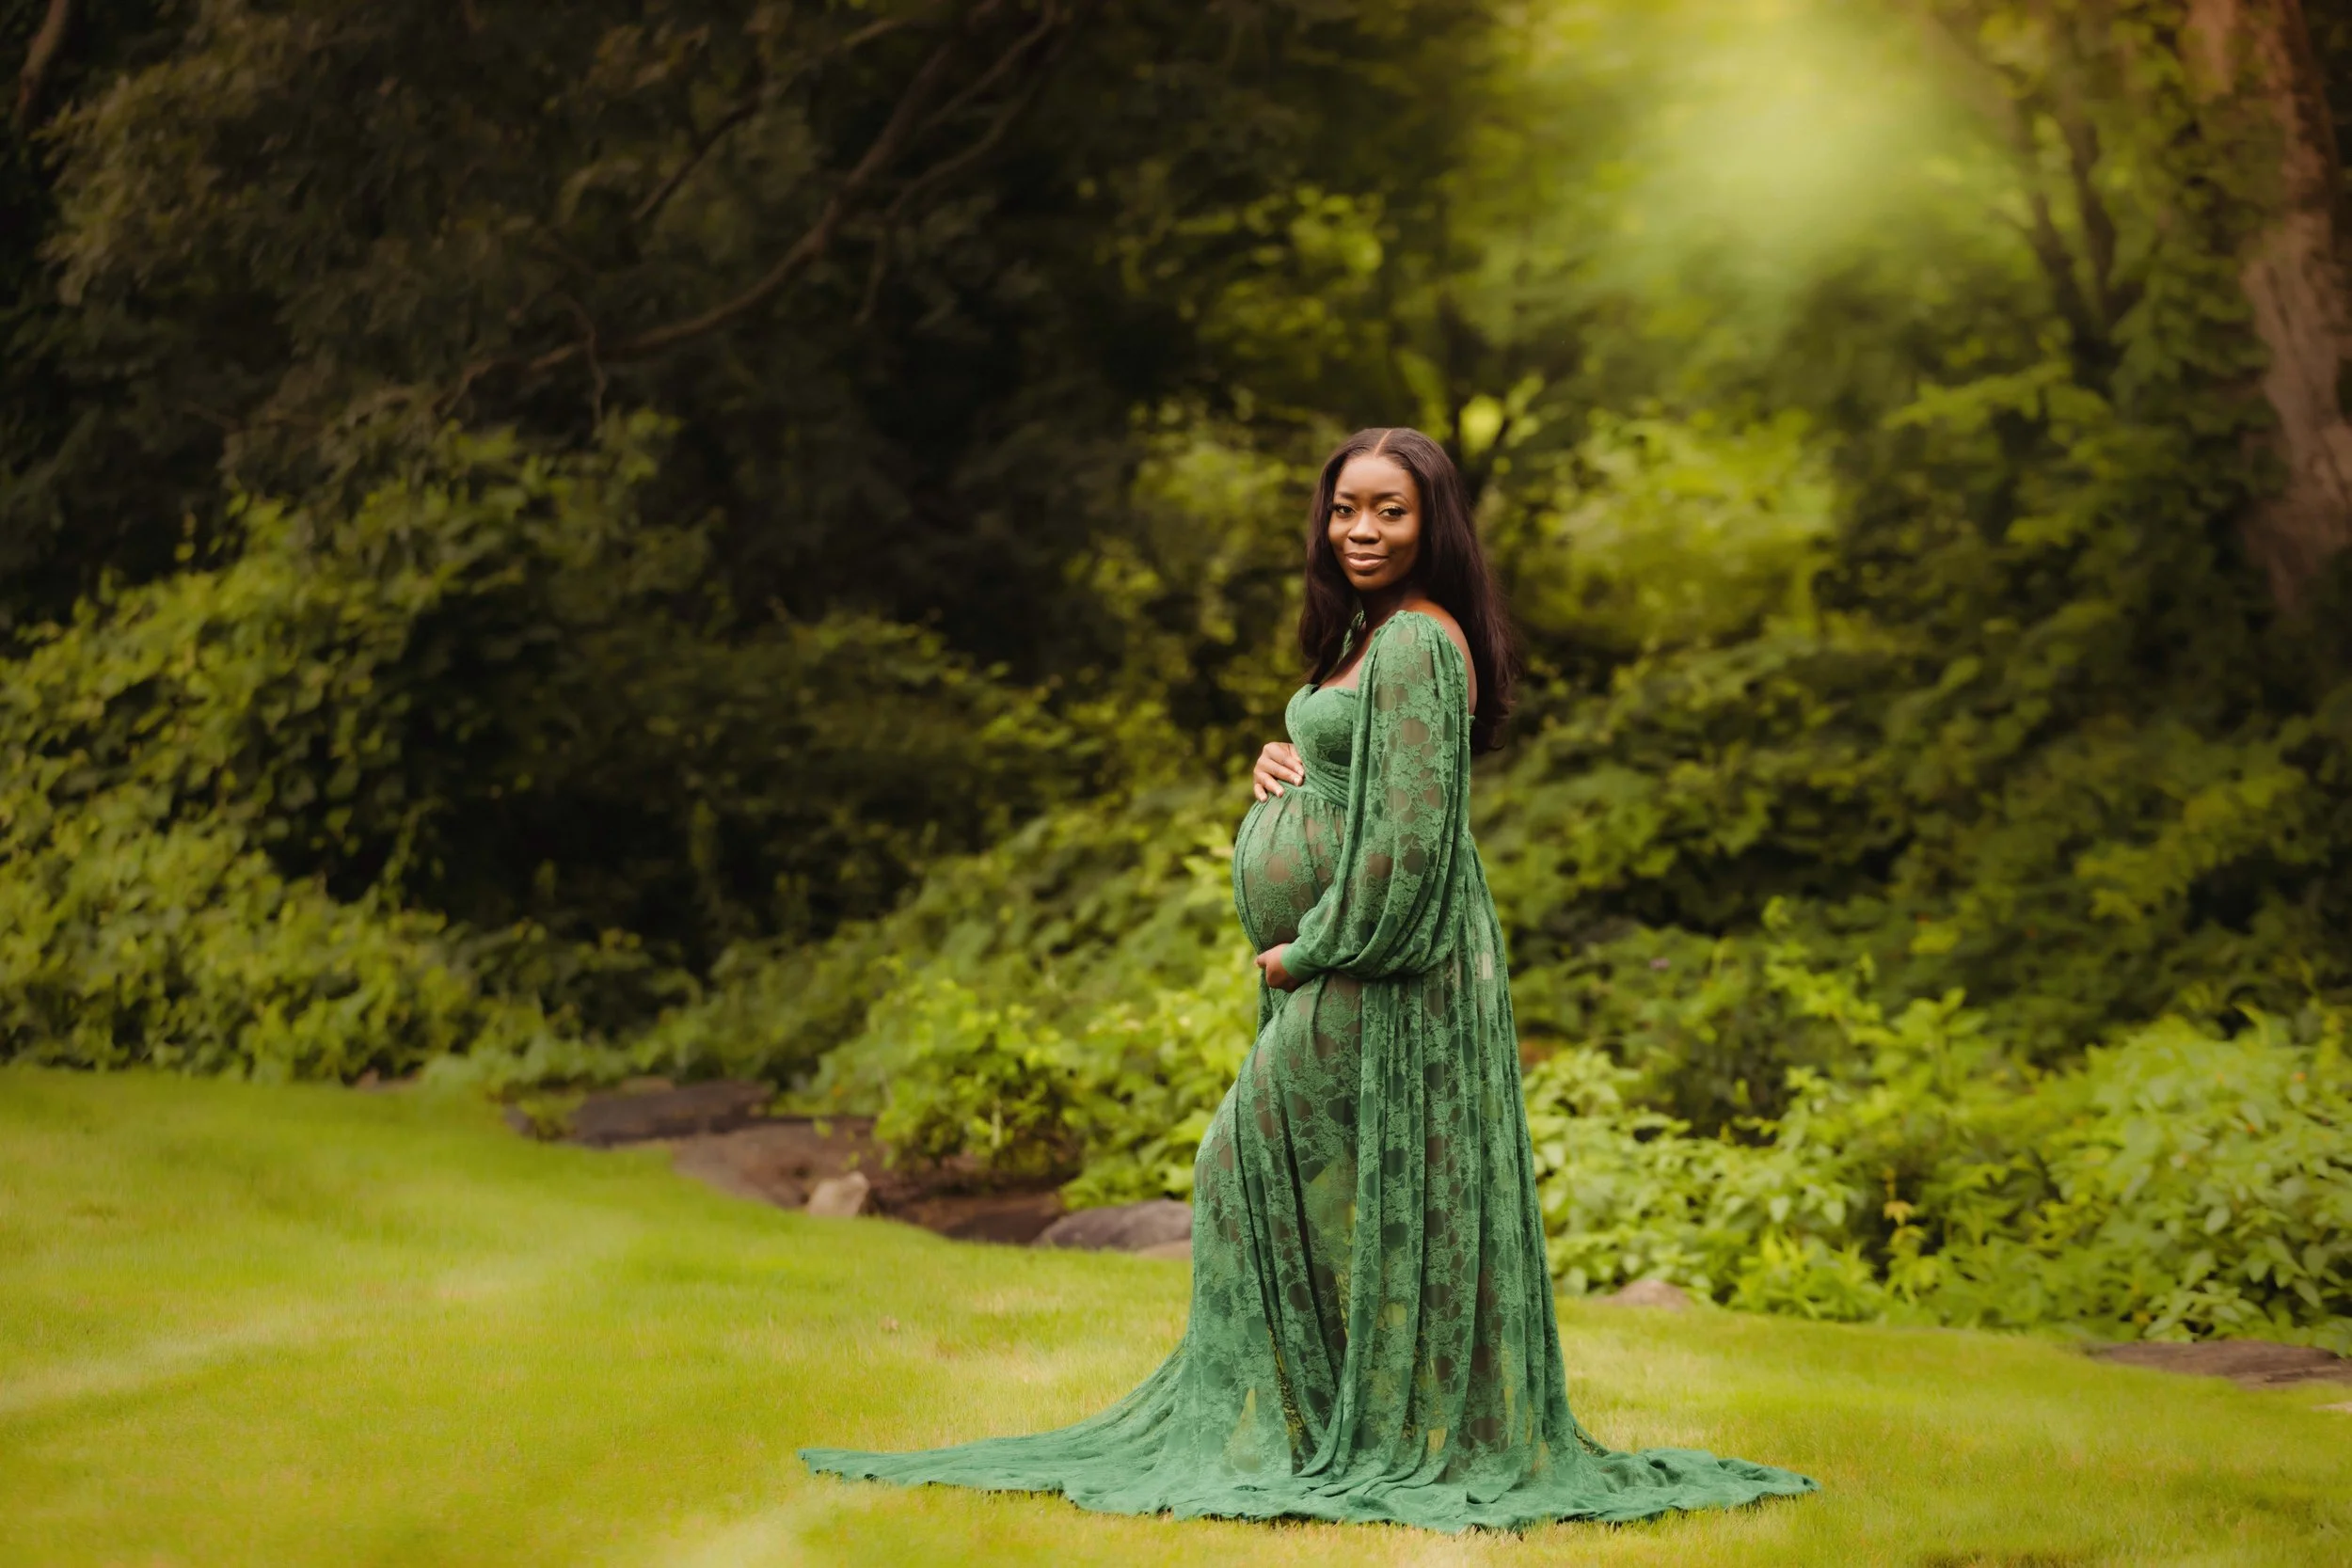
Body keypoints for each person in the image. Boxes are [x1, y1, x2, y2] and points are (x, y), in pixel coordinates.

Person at [802, 428, 1819, 1530]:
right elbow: (1357, 774)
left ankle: (1325, 1430)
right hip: (1352, 957)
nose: (1363, 530)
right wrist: (1279, 767)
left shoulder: (1419, 644)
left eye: (1389, 510)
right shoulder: (1363, 635)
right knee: (1295, 1178)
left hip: (1385, 960)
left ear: (1433, 520)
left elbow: (1412, 842)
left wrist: (1316, 944)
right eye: (1345, 509)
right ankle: (1315, 1420)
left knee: (1242, 1158)